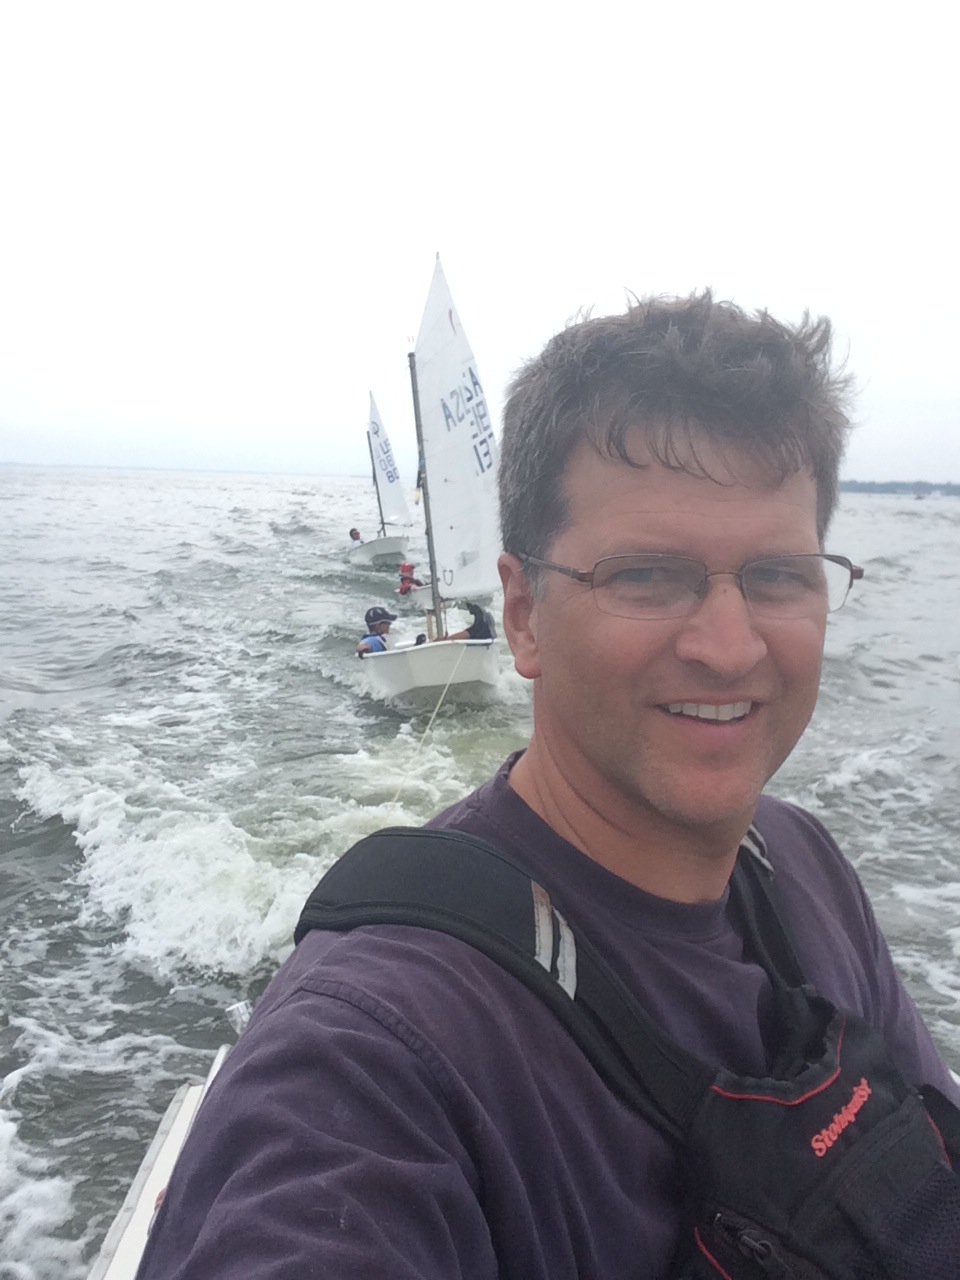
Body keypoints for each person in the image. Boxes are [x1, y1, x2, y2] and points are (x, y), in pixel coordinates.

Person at [136, 293, 960, 1280]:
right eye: (647, 575)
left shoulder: (805, 866)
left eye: (779, 575)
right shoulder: (375, 1052)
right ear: (523, 615)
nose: (730, 646)